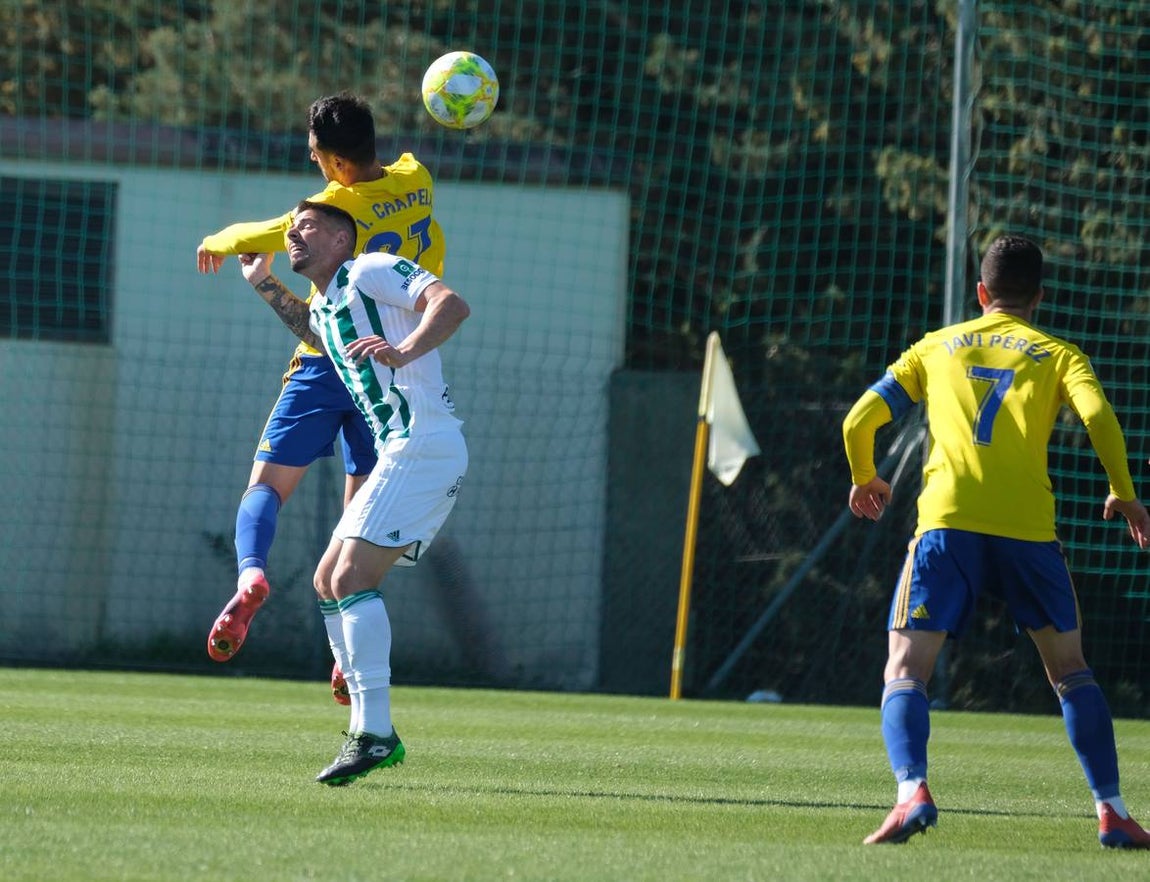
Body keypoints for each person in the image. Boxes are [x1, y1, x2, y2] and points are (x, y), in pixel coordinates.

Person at [842, 235, 1150, 848]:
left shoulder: (936, 346)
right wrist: (1125, 492)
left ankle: (911, 794)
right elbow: (1098, 417)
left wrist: (865, 476)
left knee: (906, 669)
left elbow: (858, 419)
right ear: (1039, 297)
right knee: (1070, 672)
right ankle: (1112, 810)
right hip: (1029, 533)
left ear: (981, 293)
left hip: (948, 525)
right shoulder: (1058, 353)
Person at [197, 92, 447, 707]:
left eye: (314, 155)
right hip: (383, 372)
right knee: (355, 527)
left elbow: (254, 235)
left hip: (322, 357)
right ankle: (343, 659)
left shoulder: (332, 207)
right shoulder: (417, 176)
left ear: (331, 162)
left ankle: (251, 572)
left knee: (266, 488)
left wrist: (216, 238)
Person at [236, 200, 469, 785]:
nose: (293, 231)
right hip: (403, 449)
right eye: (290, 225)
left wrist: (407, 348)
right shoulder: (333, 299)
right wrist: (263, 282)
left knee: (349, 580)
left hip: (423, 443)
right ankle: (363, 716)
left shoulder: (371, 268)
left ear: (342, 239)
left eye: (307, 225)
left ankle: (375, 733)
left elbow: (450, 304)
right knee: (326, 580)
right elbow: (319, 331)